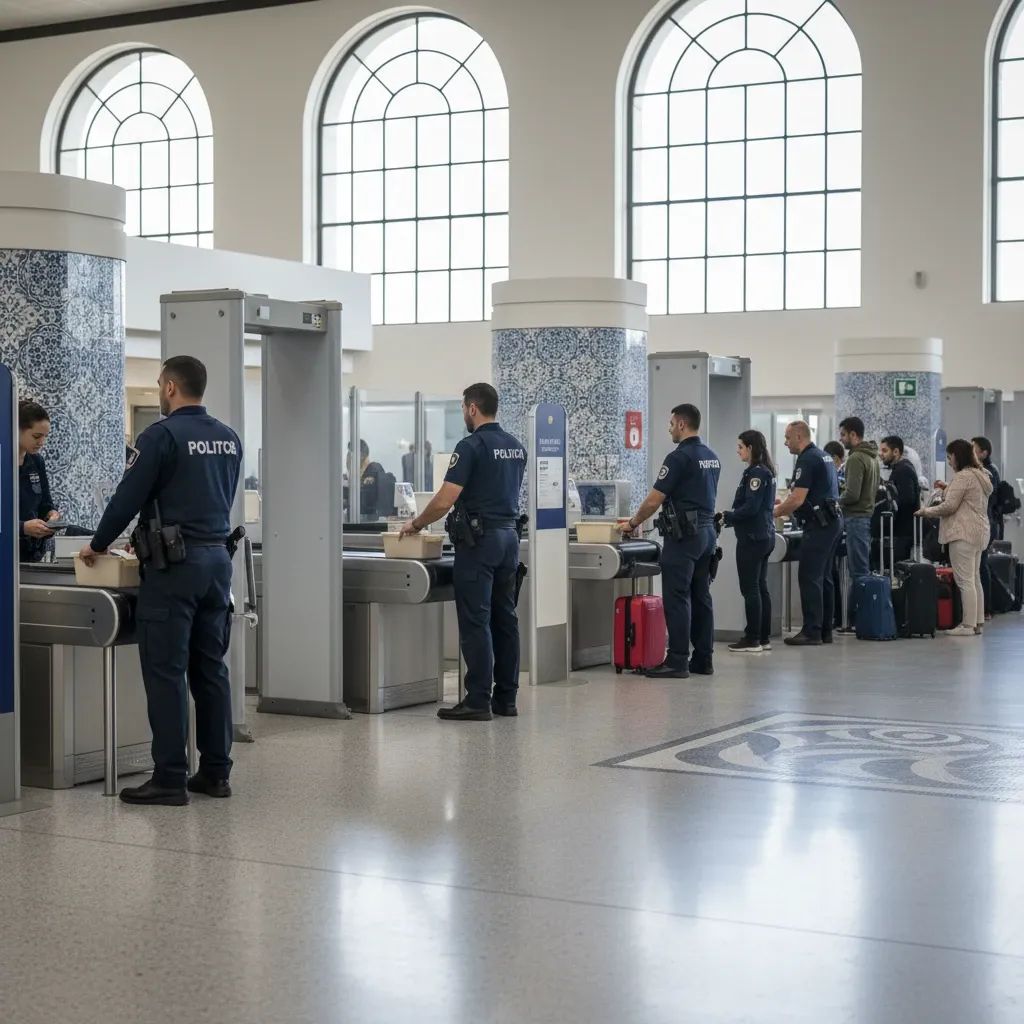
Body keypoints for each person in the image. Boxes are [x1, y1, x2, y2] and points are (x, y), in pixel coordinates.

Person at [78, 356, 242, 806]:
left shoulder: (161, 435)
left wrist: (97, 544)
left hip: (174, 571)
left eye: (157, 385)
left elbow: (126, 497)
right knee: (211, 670)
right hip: (217, 564)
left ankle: (169, 776)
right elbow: (217, 499)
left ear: (170, 387)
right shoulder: (228, 438)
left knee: (166, 672)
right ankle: (215, 772)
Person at [399, 383, 526, 721]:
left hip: (479, 544)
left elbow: (445, 498)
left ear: (472, 408)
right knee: (506, 619)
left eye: (462, 409)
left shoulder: (471, 446)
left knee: (476, 620)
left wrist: (416, 524)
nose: (463, 416)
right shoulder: (515, 446)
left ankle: (477, 700)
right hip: (509, 539)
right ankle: (506, 699)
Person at [617, 404, 720, 678]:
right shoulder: (711, 456)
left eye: (671, 423)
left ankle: (677, 660)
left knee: (676, 597)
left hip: (684, 537)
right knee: (701, 596)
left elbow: (654, 499)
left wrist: (632, 523)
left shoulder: (679, 458)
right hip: (708, 534)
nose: (669, 428)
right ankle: (703, 659)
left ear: (682, 425)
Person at [773, 420, 842, 646]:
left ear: (799, 437)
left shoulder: (807, 459)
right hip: (832, 522)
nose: (785, 442)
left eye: (787, 437)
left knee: (809, 576)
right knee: (825, 577)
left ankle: (811, 631)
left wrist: (774, 512)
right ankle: (825, 630)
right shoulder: (824, 456)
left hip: (819, 525)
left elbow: (797, 498)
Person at [915, 439, 992, 637]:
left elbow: (949, 506)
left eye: (950, 457)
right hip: (979, 531)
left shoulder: (963, 476)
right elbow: (966, 497)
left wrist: (926, 511)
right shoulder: (980, 475)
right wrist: (948, 487)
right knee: (974, 579)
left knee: (964, 580)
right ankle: (977, 622)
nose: (949, 462)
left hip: (962, 532)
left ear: (958, 456)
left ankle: (967, 625)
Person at [721, 430, 776, 655]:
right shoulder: (766, 472)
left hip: (752, 538)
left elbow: (751, 507)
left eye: (740, 447)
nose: (738, 451)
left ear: (751, 448)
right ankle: (763, 637)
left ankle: (753, 638)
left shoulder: (756, 474)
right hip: (764, 536)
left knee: (750, 588)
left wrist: (729, 516)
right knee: (761, 588)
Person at [836, 417, 880, 632]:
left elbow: (852, 494)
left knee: (858, 572)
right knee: (862, 568)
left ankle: (857, 620)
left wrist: (834, 500)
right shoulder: (873, 457)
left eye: (843, 434)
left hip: (855, 518)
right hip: (865, 518)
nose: (841, 439)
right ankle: (860, 619)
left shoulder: (856, 458)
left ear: (854, 435)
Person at [18, 400, 61, 562]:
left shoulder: (37, 462)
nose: (42, 442)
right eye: (36, 436)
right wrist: (22, 528)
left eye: (45, 436)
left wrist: (52, 515)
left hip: (33, 554)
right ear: (16, 429)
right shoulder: (3, 462)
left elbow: (46, 504)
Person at [972, 436, 1001, 620]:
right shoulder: (985, 470)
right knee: (980, 566)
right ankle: (982, 609)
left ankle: (984, 609)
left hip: (984, 522)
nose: (971, 452)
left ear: (984, 453)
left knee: (980, 566)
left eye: (974, 449)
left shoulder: (987, 472)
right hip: (986, 522)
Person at [879, 435, 920, 562]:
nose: (881, 454)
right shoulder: (901, 468)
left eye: (885, 451)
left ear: (896, 452)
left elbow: (907, 499)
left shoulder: (903, 470)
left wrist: (889, 502)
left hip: (903, 531)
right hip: (902, 530)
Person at [354, 440, 392, 520]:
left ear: (361, 455)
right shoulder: (370, 472)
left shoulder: (373, 470)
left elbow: (365, 504)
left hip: (369, 522)